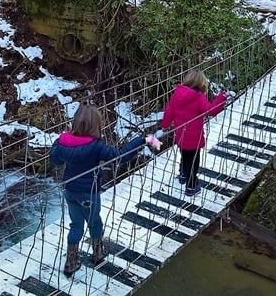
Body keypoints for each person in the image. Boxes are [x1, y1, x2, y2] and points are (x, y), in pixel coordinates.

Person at [50, 105, 161, 277]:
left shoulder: (62, 142)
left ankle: (71, 262)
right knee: (94, 222)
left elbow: (55, 160)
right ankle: (98, 253)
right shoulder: (96, 146)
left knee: (76, 224)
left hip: (70, 190)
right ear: (96, 125)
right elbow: (120, 157)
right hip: (89, 192)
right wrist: (142, 140)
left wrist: (59, 142)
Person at [160, 69, 227, 197]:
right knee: (194, 162)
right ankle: (191, 187)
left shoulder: (177, 94)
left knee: (184, 156)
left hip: (181, 135)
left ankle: (183, 175)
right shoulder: (198, 97)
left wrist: (165, 125)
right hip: (195, 138)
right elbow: (211, 111)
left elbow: (169, 111)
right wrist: (221, 98)